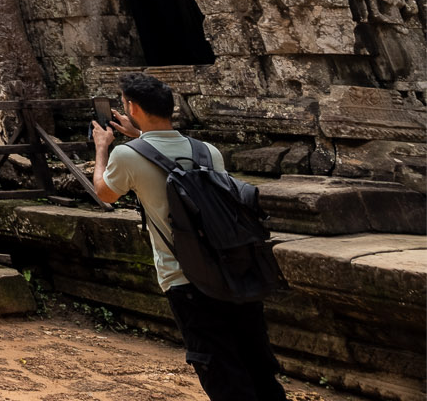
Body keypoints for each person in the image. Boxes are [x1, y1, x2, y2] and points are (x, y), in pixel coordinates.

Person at [92, 72, 286, 401]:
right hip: (233, 271)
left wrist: (103, 149)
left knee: (222, 372)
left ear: (133, 107)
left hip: (185, 280)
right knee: (257, 364)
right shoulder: (208, 151)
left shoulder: (126, 156)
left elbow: (104, 194)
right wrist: (139, 133)